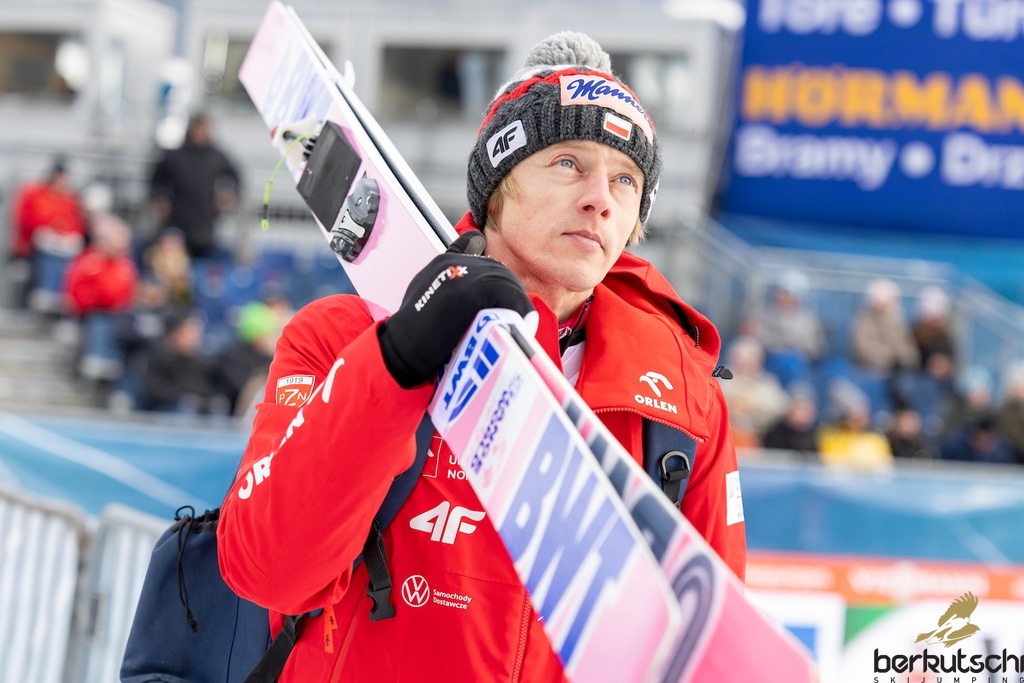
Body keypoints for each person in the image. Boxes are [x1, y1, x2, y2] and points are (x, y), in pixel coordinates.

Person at [217, 32, 745, 682]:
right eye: (568, 163)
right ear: (496, 187)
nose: (601, 199)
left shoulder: (684, 402)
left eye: (626, 180)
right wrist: (396, 362)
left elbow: (715, 656)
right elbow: (266, 571)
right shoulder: (343, 335)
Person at [149, 113, 240, 259]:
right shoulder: (175, 156)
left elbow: (235, 178)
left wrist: (228, 195)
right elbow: (156, 179)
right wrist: (159, 198)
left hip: (205, 219)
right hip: (177, 217)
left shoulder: (217, 157)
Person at [63, 212, 139, 381]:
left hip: (118, 314)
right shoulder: (89, 262)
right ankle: (98, 359)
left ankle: (115, 366)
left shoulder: (126, 265)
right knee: (101, 320)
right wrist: (97, 302)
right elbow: (76, 290)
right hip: (90, 312)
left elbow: (129, 293)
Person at [10, 157, 87, 314]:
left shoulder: (69, 199)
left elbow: (76, 224)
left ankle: (59, 296)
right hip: (34, 245)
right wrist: (50, 227)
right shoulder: (35, 194)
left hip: (63, 244)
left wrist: (64, 233)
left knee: (66, 255)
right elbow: (27, 220)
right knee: (49, 253)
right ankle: (45, 293)